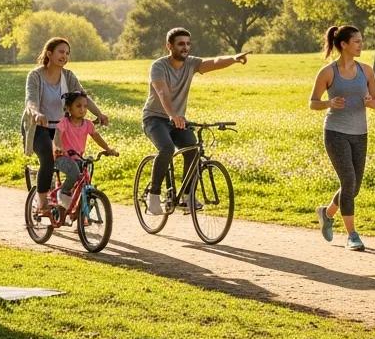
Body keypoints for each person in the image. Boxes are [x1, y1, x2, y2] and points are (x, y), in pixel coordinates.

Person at [143, 27, 248, 215]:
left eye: (188, 44)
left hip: (178, 119)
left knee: (192, 149)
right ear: (169, 46)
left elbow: (213, 62)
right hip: (155, 118)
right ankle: (154, 194)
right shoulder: (158, 66)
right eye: (181, 44)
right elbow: (162, 92)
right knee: (166, 148)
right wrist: (173, 115)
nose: (185, 47)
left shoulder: (191, 64)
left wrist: (233, 58)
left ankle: (186, 195)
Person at [309, 25, 375, 250]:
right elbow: (313, 102)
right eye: (357, 41)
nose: (361, 45)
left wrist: (370, 102)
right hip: (336, 132)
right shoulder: (328, 72)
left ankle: (327, 213)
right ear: (344, 45)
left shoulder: (366, 71)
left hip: (360, 133)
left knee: (354, 187)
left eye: (361, 40)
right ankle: (352, 235)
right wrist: (329, 103)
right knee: (348, 181)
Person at [23, 37, 109, 216]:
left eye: (67, 53)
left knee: (76, 161)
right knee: (48, 158)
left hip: (60, 128)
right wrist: (37, 113)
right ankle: (42, 203)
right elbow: (30, 100)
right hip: (38, 126)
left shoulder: (68, 76)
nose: (65, 56)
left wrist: (98, 114)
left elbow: (83, 97)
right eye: (61, 52)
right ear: (49, 54)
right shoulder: (36, 75)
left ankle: (65, 199)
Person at [52, 91, 118, 209]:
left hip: (78, 158)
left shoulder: (88, 124)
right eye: (78, 106)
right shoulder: (64, 123)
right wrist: (58, 147)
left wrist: (108, 149)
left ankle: (81, 213)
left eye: (85, 106)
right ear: (68, 108)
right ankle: (63, 192)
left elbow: (97, 137)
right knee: (74, 173)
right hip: (62, 157)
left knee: (86, 177)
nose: (82, 109)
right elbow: (57, 135)